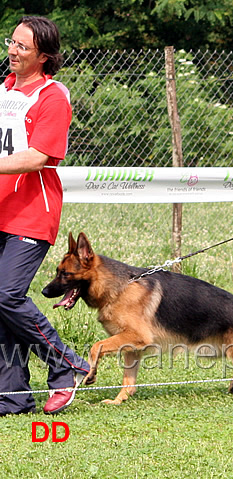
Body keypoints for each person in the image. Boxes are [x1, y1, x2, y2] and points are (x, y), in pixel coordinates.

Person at [0, 16, 90, 416]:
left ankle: (66, 363)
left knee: (6, 294)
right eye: (11, 42)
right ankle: (12, 397)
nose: (12, 51)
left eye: (22, 47)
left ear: (44, 56)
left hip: (32, 213)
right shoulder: (2, 90)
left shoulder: (54, 96)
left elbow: (38, 156)